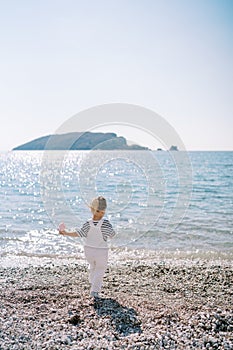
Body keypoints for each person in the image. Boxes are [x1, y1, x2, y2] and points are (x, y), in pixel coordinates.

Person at [58, 196, 116, 298]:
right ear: (104, 211)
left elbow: (79, 233)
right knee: (100, 269)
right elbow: (112, 234)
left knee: (93, 266)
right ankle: (94, 290)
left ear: (91, 209)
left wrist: (66, 233)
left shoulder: (87, 223)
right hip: (101, 251)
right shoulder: (105, 223)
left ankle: (92, 280)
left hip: (88, 250)